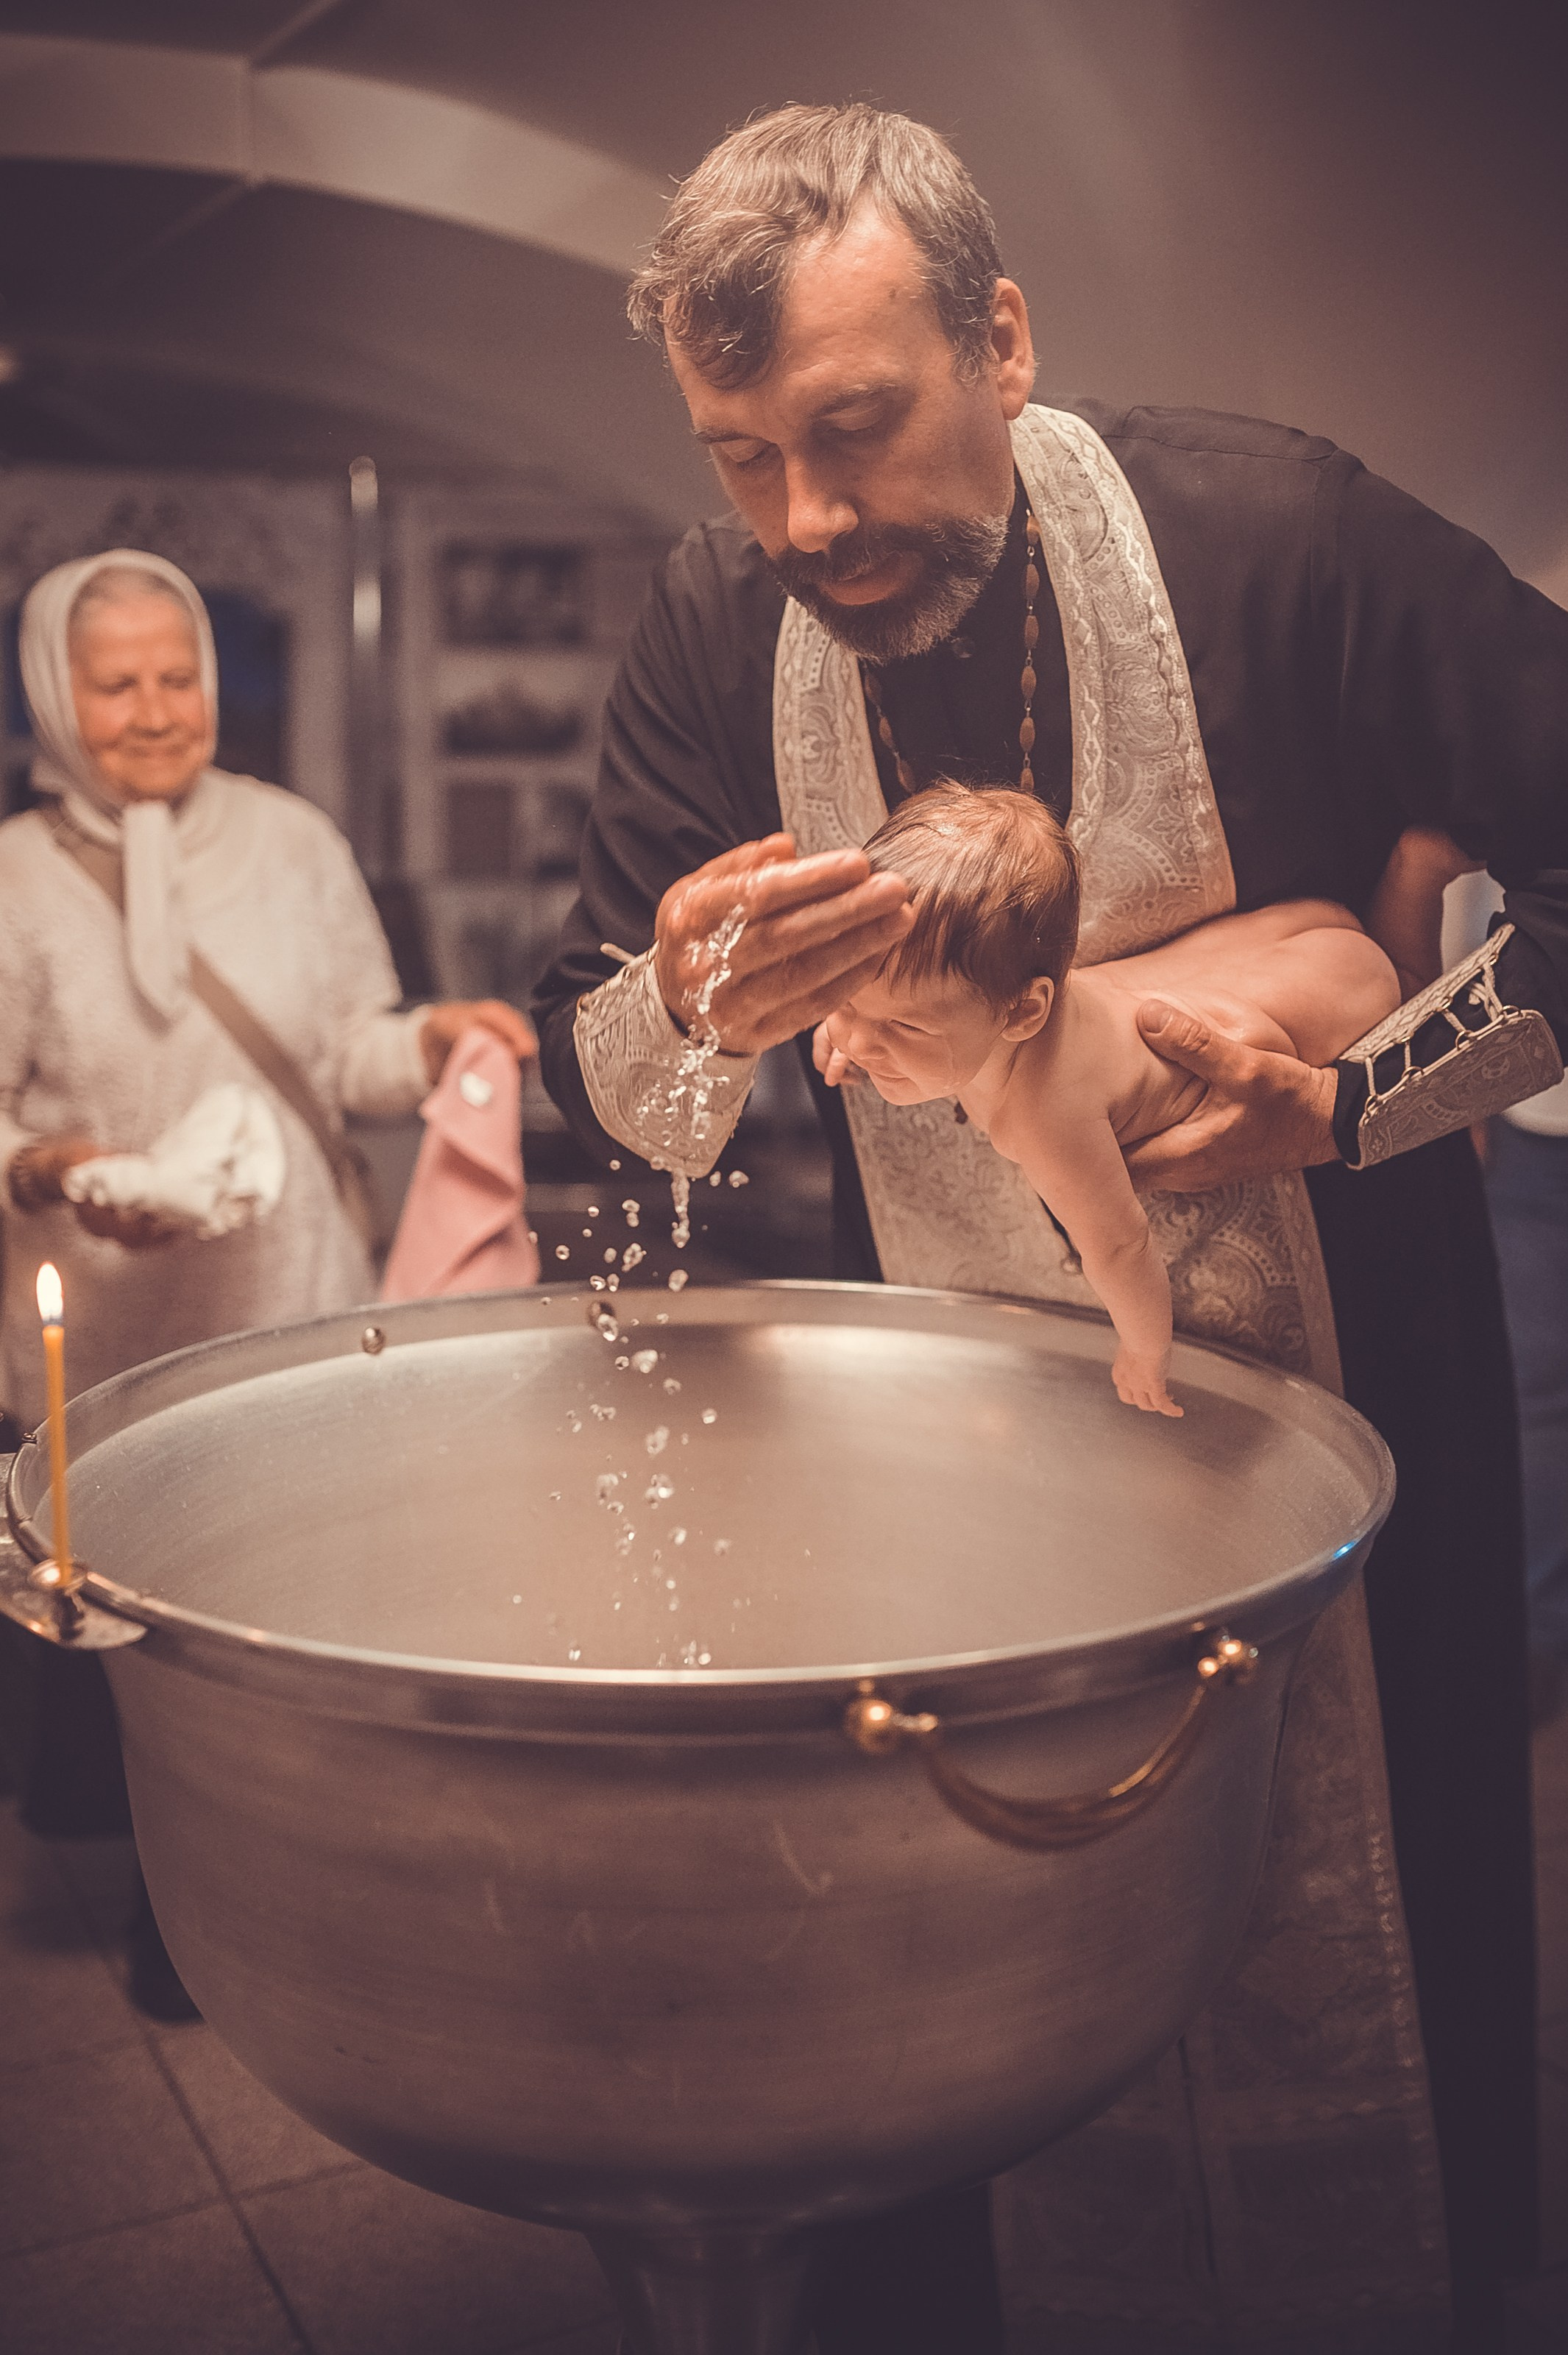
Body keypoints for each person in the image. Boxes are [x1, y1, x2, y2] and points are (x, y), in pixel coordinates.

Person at [531, 105, 1568, 2352]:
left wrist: (1363, 1093)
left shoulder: (1280, 532)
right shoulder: (716, 633)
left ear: (999, 336)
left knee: (1368, 2011)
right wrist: (689, 997)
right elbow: (601, 1068)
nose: (804, 521)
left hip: (1347, 1411)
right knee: (973, 2044)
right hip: (948, 1480)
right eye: (742, 459)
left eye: (852, 428)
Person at [0, 548, 534, 2013]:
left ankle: (236, 1927)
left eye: (180, 677)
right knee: (120, 1628)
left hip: (287, 1295)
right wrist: (57, 1167)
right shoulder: (17, 880)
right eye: (117, 685)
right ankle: (140, 1882)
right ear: (57, 692)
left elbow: (348, 1049)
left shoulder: (294, 841)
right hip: (102, 1320)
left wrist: (431, 1043)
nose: (158, 711)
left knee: (263, 1630)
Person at [815, 782, 1399, 1414]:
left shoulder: (1042, 1118)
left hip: (1352, 992)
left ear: (1024, 1011)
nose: (857, 1040)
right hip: (1290, 934)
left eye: (903, 1028)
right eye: (843, 1000)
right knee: (1177, 982)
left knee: (1302, 1010)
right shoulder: (1009, 1006)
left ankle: (1396, 915)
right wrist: (869, 1028)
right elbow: (891, 1013)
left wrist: (1144, 1350)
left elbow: (1120, 1246)